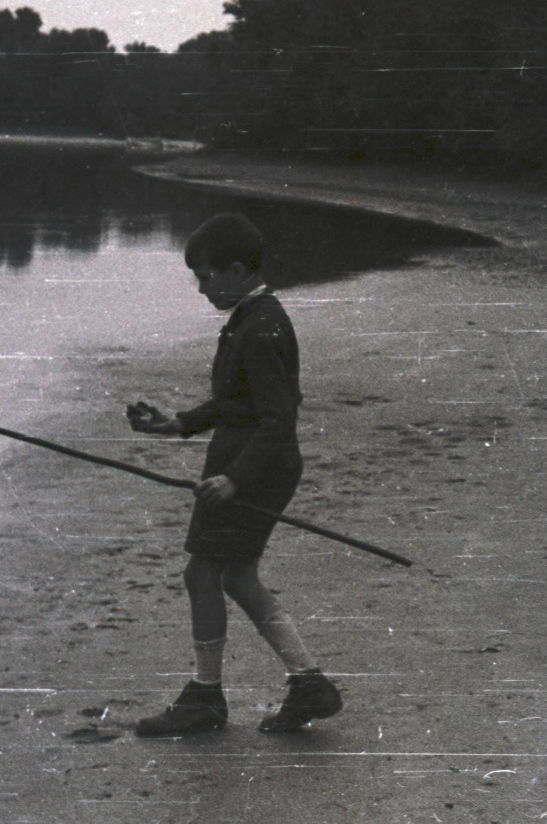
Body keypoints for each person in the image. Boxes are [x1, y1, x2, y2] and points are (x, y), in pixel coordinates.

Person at [125, 213, 343, 736]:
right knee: (235, 576)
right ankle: (309, 683)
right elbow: (234, 403)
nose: (201, 289)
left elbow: (277, 418)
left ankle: (206, 698)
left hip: (255, 466)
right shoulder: (251, 316)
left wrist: (236, 479)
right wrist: (177, 424)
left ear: (240, 270)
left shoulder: (261, 326)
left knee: (203, 574)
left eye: (206, 276)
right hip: (253, 462)